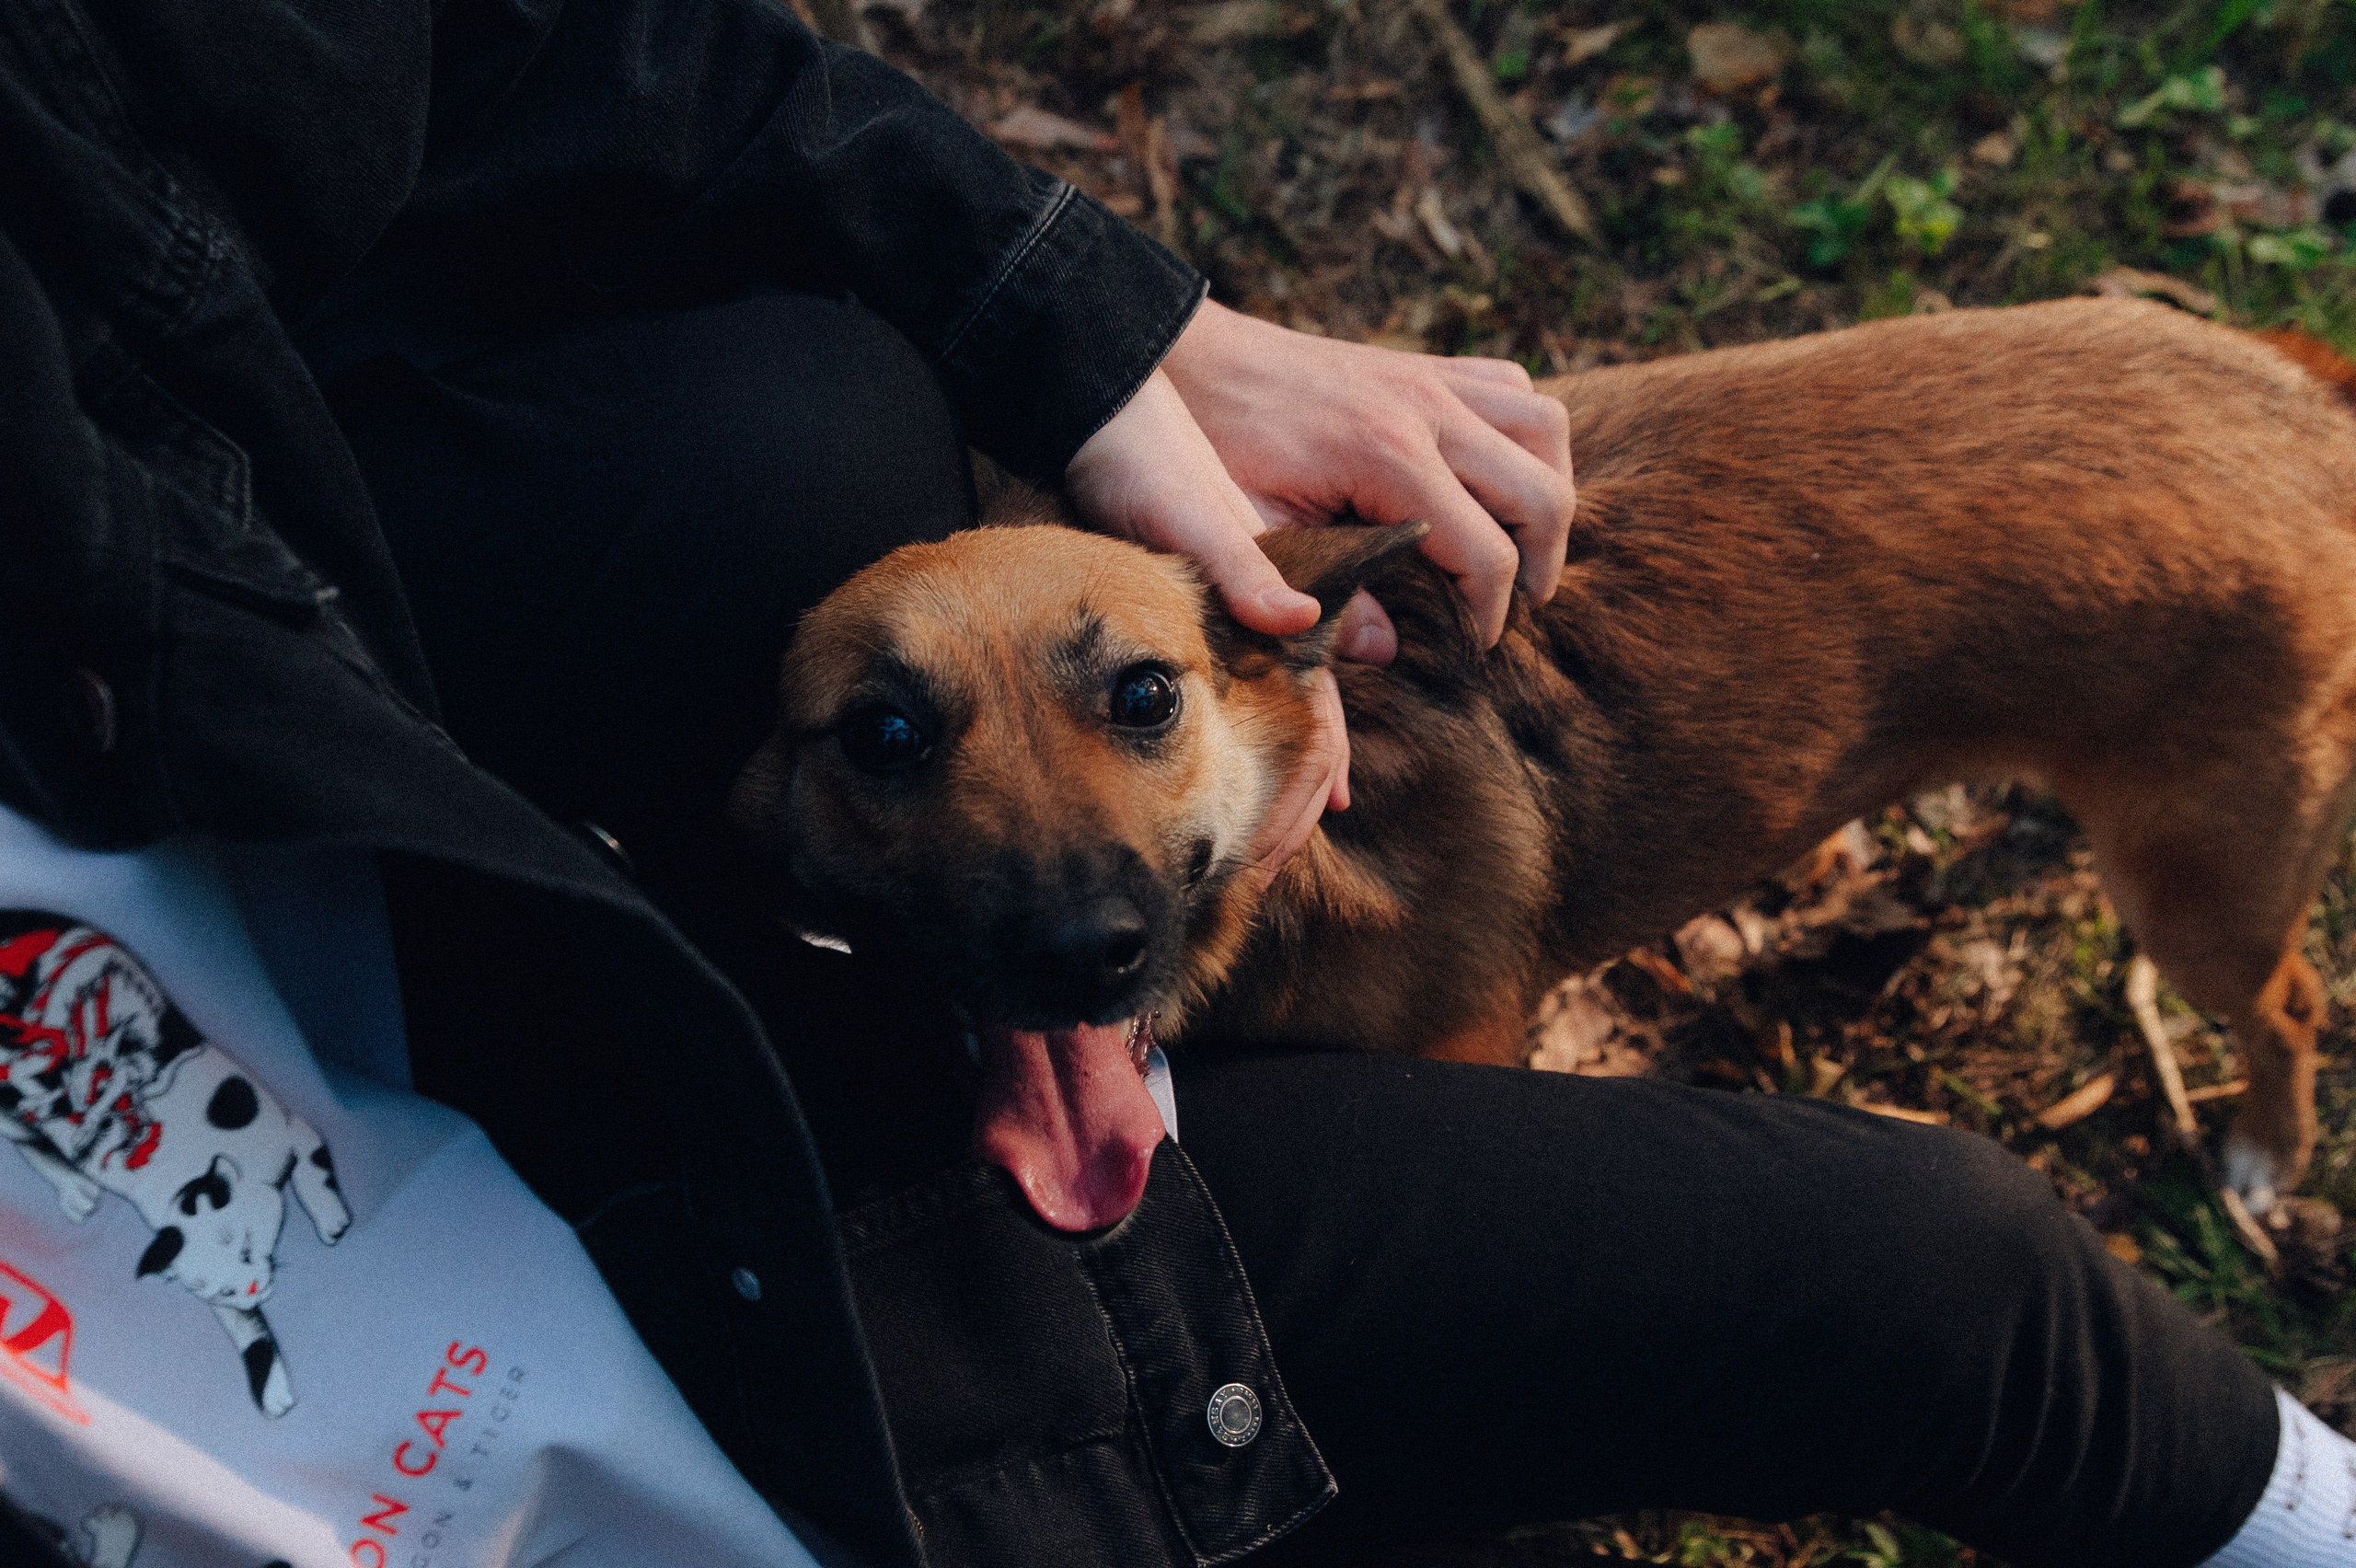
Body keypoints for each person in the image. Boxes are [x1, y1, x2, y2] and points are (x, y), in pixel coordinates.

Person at [0, 0, 2346, 1563]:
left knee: (2157, 1006)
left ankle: (2271, 1088)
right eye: (891, 741)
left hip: (2193, 566)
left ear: (1279, 663)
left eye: (1135, 708)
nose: (1068, 888)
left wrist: (1092, 310)